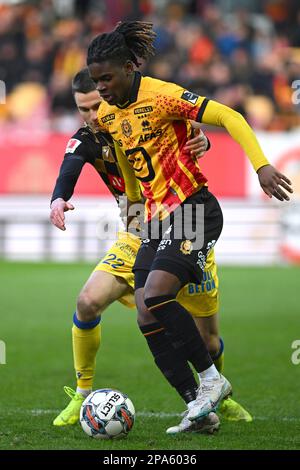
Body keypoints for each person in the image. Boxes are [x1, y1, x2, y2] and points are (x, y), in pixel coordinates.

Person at [87, 21, 293, 429]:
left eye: (107, 78)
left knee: (160, 293)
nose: (102, 88)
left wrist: (262, 165)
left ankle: (212, 381)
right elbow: (130, 164)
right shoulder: (109, 114)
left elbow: (229, 115)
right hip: (157, 218)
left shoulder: (162, 95)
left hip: (195, 209)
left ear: (130, 67)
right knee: (146, 312)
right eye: (96, 81)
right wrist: (132, 207)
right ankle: (198, 409)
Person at [50, 68, 252, 434]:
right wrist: (59, 197)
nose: (93, 116)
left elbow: (194, 131)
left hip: (185, 218)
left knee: (206, 336)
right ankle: (83, 392)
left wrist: (204, 142)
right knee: (90, 302)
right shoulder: (88, 138)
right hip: (140, 229)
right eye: (84, 109)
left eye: (97, 105)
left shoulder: (146, 112)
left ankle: (216, 393)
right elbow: (71, 165)